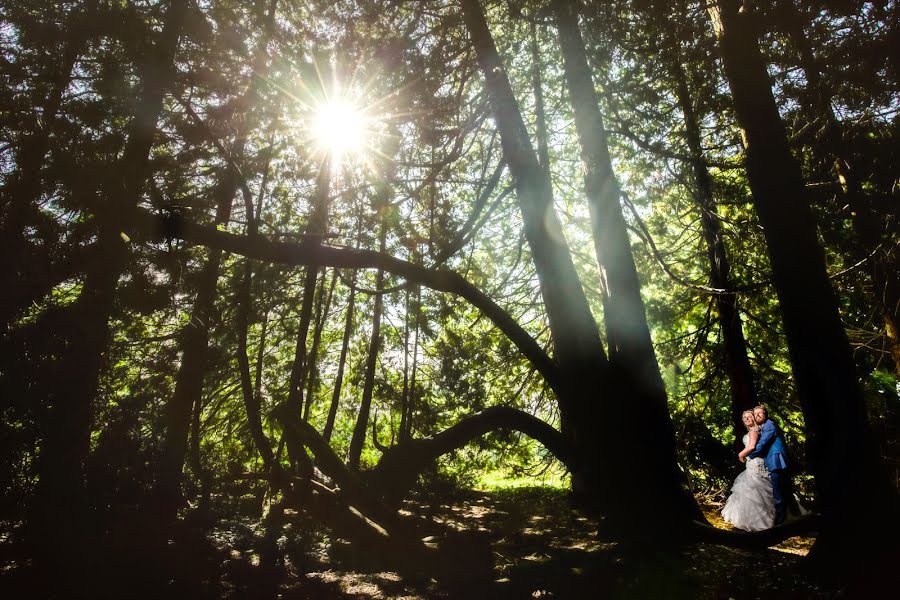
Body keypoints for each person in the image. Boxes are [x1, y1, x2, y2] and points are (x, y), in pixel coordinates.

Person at [721, 410, 776, 531]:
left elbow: (752, 446)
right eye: (744, 417)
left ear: (754, 418)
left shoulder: (754, 431)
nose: (746, 419)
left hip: (755, 462)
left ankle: (760, 523)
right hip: (754, 462)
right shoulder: (755, 430)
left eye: (749, 417)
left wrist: (741, 454)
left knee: (755, 488)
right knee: (753, 488)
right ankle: (752, 522)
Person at [747, 404, 792, 524]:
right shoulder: (762, 427)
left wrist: (749, 455)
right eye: (755, 414)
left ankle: (780, 522)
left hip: (776, 460)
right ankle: (788, 517)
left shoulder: (769, 425)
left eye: (760, 413)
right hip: (770, 461)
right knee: (782, 490)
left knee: (779, 492)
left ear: (765, 414)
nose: (757, 416)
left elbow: (762, 443)